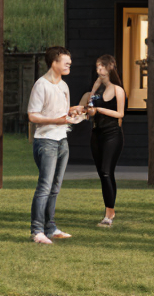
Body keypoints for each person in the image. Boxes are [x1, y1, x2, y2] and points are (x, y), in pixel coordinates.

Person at [27, 46, 76, 244]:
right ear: (54, 63)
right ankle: (37, 231)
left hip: (62, 140)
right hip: (46, 141)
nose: (69, 65)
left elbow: (62, 112)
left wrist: (74, 111)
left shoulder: (64, 86)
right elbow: (33, 116)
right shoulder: (41, 85)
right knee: (45, 187)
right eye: (66, 62)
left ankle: (51, 228)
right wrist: (58, 120)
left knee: (55, 187)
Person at [82, 55, 126, 227]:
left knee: (106, 171)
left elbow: (120, 114)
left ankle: (109, 214)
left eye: (102, 66)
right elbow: (90, 107)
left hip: (112, 134)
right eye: (97, 66)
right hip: (96, 134)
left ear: (110, 68)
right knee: (103, 174)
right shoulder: (97, 88)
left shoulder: (117, 90)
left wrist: (99, 109)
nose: (98, 69)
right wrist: (89, 106)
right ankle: (110, 208)